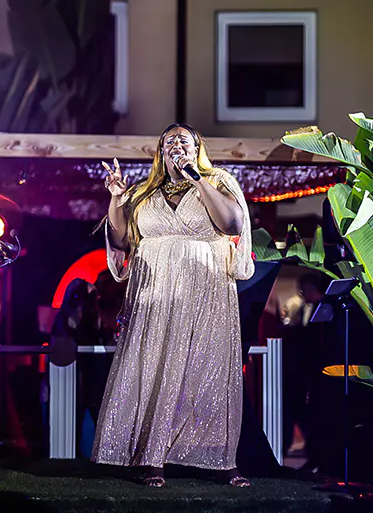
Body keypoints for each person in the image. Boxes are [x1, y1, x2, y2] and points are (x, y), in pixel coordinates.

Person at [92, 123, 254, 488]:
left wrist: (196, 177)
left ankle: (221, 460)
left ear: (197, 148)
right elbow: (121, 238)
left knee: (207, 369)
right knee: (154, 365)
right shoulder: (144, 191)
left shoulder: (218, 181)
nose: (176, 143)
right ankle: (152, 457)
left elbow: (231, 223)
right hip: (155, 292)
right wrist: (117, 198)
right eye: (170, 140)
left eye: (184, 139)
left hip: (205, 290)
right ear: (161, 152)